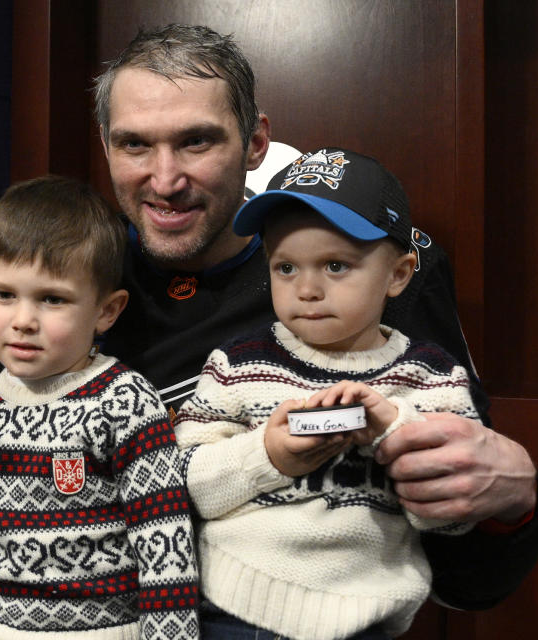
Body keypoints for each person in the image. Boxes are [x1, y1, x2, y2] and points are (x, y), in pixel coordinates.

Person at [0, 23, 538, 626]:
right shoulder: (46, 288)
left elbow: (471, 577)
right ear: (103, 144)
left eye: (196, 142)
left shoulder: (375, 272)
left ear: (254, 143)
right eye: (134, 146)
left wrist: (517, 496)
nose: (164, 178)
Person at [173, 147, 483, 639]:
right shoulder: (235, 365)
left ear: (398, 275)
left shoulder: (433, 379)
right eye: (286, 268)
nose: (308, 289)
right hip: (234, 608)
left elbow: (455, 520)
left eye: (336, 266)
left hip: (364, 617)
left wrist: (394, 431)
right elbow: (182, 487)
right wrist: (267, 454)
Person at [0, 176, 200, 639]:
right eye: (4, 295)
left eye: (52, 299)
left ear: (107, 311)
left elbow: (166, 556)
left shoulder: (124, 402)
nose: (23, 321)